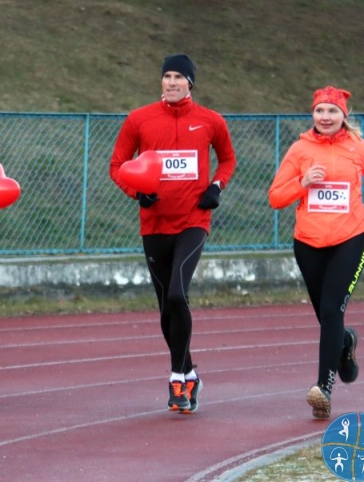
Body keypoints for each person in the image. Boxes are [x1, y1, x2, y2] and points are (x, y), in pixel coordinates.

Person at [109, 54, 237, 414]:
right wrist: (137, 192)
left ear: (190, 83)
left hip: (193, 220)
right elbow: (117, 165)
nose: (171, 82)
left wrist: (216, 186)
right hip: (154, 223)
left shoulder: (210, 121)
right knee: (167, 303)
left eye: (179, 76)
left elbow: (227, 159)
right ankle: (191, 371)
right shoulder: (139, 119)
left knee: (179, 294)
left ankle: (177, 375)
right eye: (166, 76)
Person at [268, 86, 364, 419]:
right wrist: (303, 182)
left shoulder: (358, 147)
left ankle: (323, 389)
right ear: (313, 114)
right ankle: (345, 343)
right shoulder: (299, 149)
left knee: (330, 309)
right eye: (320, 111)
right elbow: (276, 197)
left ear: (343, 116)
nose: (325, 117)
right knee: (328, 317)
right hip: (308, 242)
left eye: (332, 112)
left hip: (351, 238)